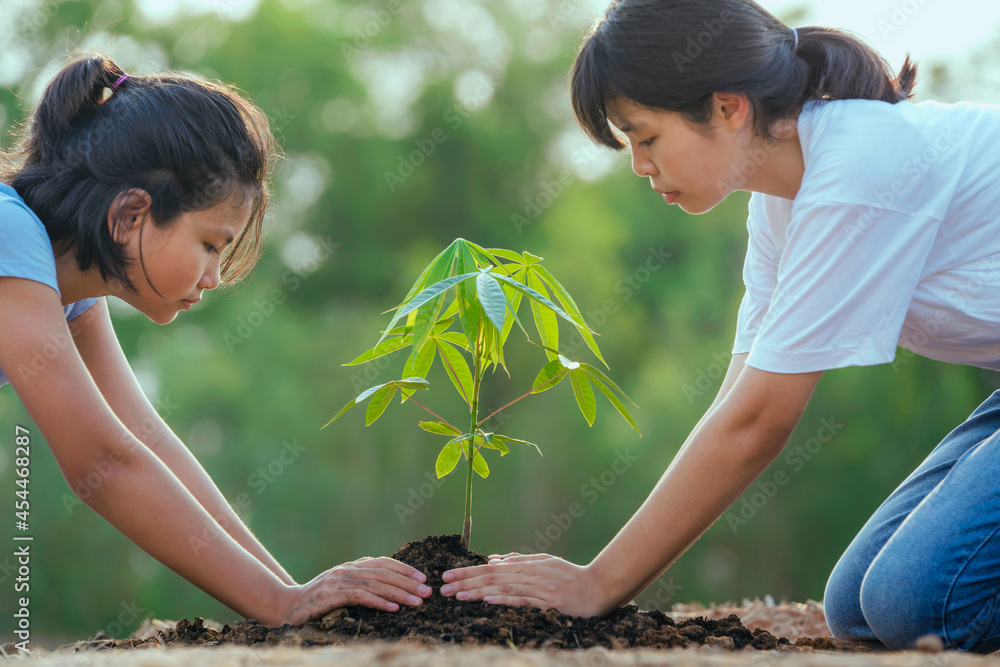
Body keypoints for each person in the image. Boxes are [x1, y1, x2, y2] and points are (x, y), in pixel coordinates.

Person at [439, 0, 1000, 653]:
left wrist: (597, 583)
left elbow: (760, 422)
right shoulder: (779, 204)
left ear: (728, 108)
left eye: (645, 137)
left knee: (917, 602)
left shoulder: (863, 163)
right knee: (857, 608)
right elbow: (736, 402)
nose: (639, 165)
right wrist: (603, 573)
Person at [0, 53, 431, 627]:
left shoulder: (67, 287)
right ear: (130, 215)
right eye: (210, 244)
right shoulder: (11, 235)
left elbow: (143, 436)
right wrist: (280, 604)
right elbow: (101, 460)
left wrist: (294, 598)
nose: (215, 276)